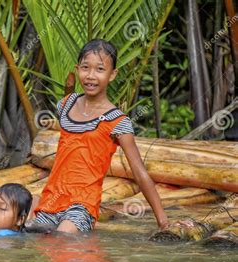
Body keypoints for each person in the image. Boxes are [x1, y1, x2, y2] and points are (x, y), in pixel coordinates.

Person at [33, 39, 192, 234]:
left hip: (82, 206)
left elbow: (139, 172)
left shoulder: (117, 121)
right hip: (51, 200)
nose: (91, 76)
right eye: (85, 68)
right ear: (77, 69)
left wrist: (163, 222)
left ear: (112, 75)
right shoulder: (66, 104)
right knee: (32, 243)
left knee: (62, 240)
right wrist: (69, 87)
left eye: (100, 69)